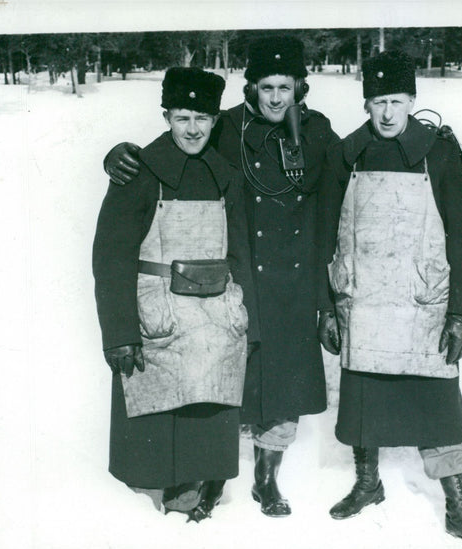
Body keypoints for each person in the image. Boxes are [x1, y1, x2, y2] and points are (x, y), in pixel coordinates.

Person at [103, 35, 341, 517]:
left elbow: (355, 158)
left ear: (301, 88)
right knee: (219, 382)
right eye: (266, 87)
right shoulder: (224, 125)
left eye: (286, 88)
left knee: (283, 391)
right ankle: (207, 474)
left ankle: (266, 478)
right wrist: (120, 155)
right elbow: (177, 139)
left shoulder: (317, 132)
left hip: (290, 285)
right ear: (251, 88)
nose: (276, 98)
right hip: (237, 277)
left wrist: (437, 140)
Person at [320, 50, 462, 549]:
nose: (386, 114)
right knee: (364, 398)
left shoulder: (439, 153)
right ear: (366, 102)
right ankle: (367, 483)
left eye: (396, 101)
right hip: (363, 302)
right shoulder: (348, 153)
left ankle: (459, 510)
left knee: (439, 409)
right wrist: (326, 307)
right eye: (378, 101)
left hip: (424, 305)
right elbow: (323, 235)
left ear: (412, 100)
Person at [92, 67, 259, 522]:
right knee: (158, 413)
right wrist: (119, 334)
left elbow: (241, 252)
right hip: (158, 315)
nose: (192, 129)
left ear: (214, 120)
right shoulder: (139, 173)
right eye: (182, 117)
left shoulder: (226, 176)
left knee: (206, 409)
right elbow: (110, 257)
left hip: (215, 316)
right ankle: (152, 504)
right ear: (166, 115)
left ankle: (197, 488)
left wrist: (252, 323)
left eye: (202, 119)